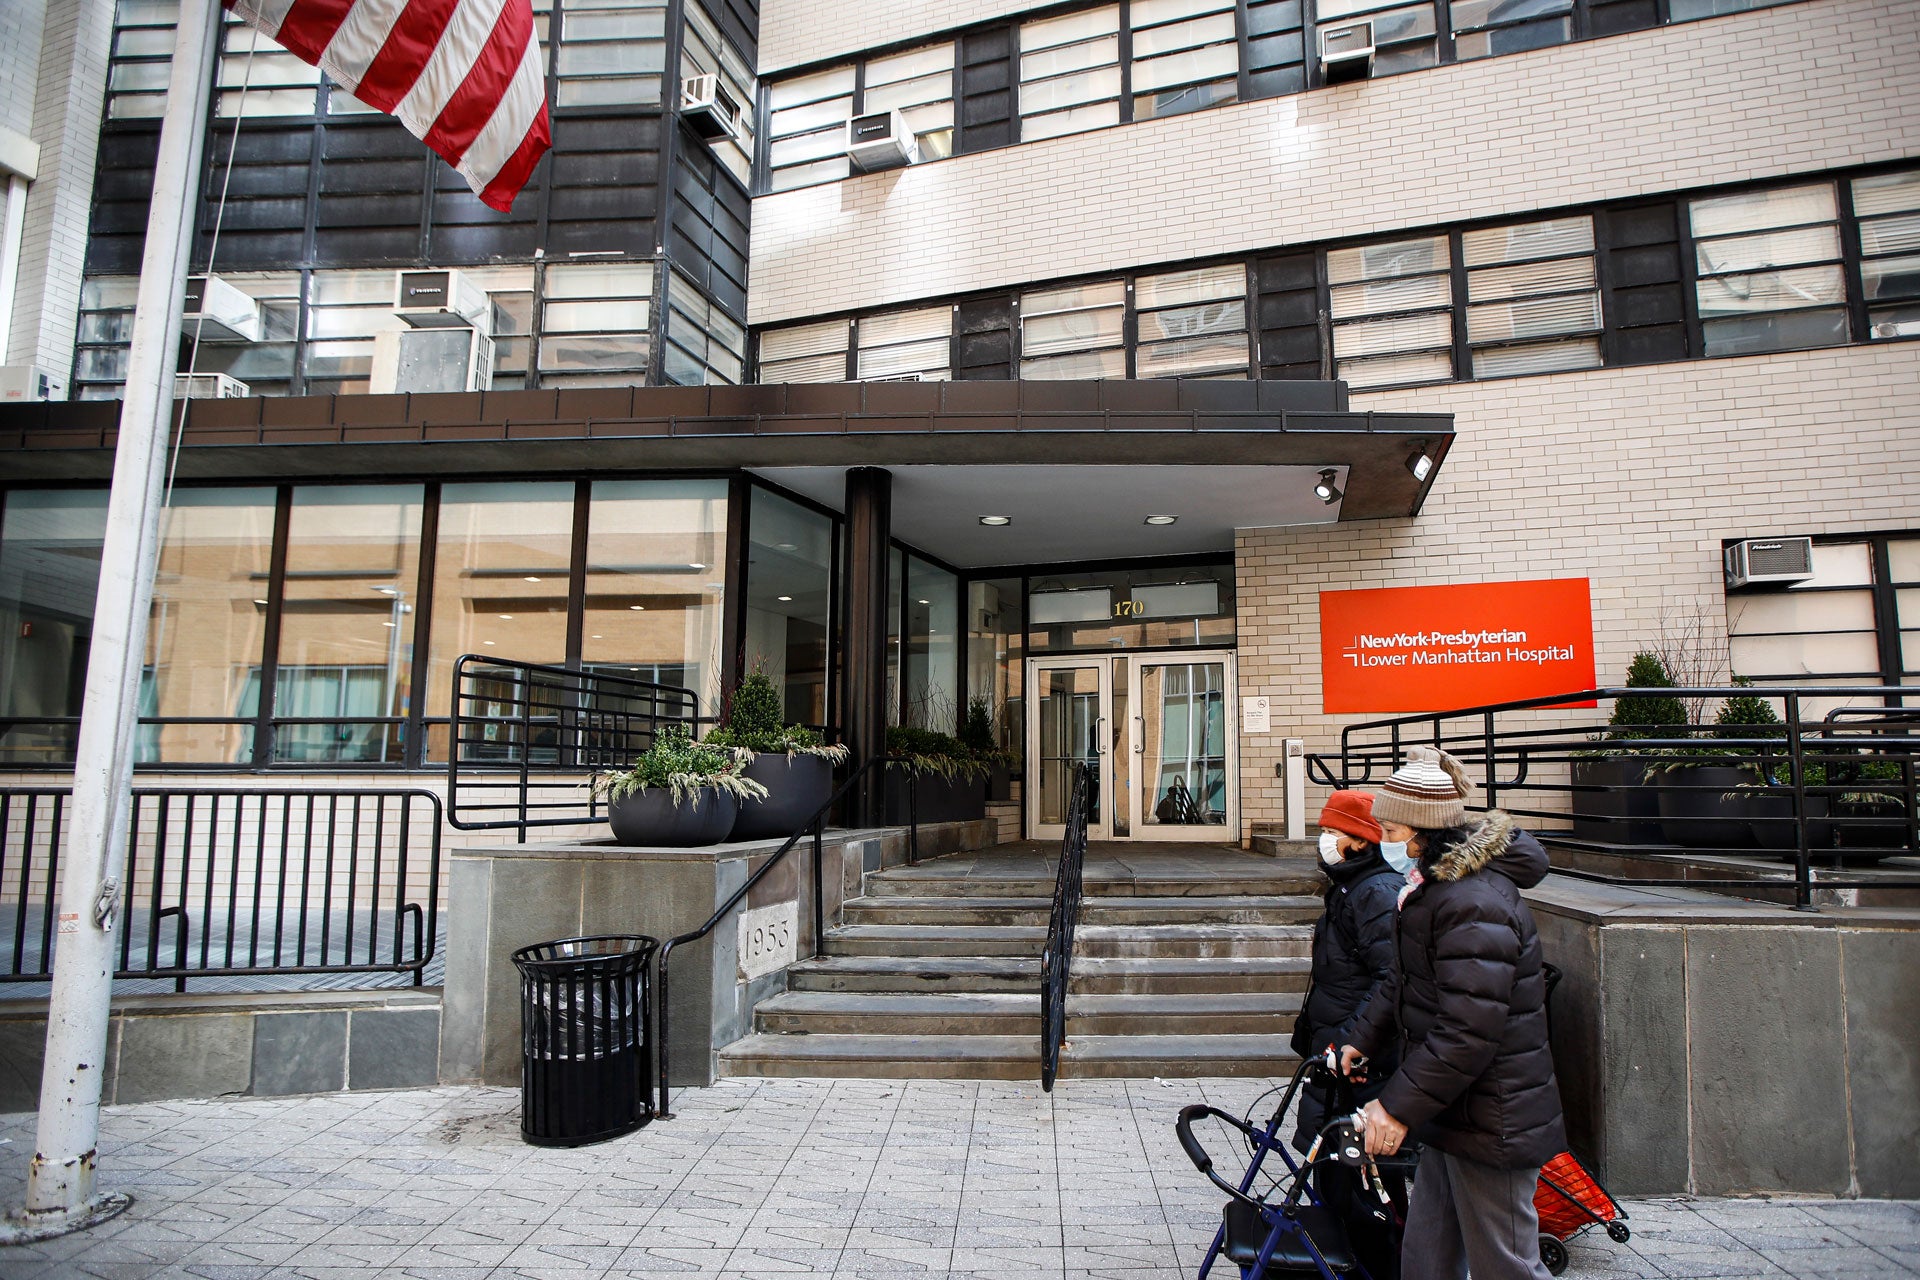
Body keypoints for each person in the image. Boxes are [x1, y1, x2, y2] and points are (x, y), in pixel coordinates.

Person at [1338, 745, 1565, 1280]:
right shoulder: (1437, 889)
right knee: (1428, 1256)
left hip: (1492, 1119)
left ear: (1424, 832)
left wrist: (1393, 1108)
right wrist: (1362, 1040)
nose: (1385, 845)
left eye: (1391, 833)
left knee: (1504, 1265)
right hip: (1452, 1109)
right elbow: (1408, 980)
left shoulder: (1472, 902)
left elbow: (1468, 1030)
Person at [1289, 789, 1406, 1280]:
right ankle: (1344, 1261)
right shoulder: (1347, 888)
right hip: (1335, 1048)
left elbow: (1391, 978)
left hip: (1357, 1059)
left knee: (1361, 1181)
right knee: (1336, 1172)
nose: (1324, 839)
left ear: (1360, 841)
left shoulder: (1374, 893)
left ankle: (1373, 1266)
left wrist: (1352, 1044)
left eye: (1333, 831)